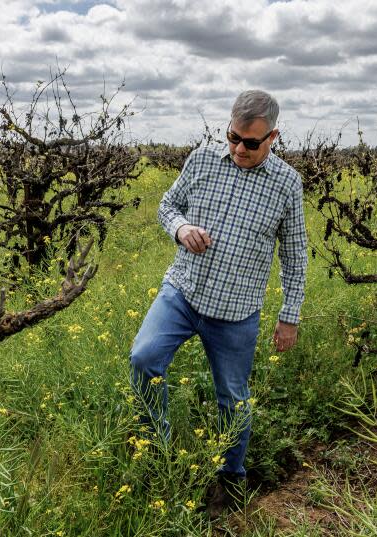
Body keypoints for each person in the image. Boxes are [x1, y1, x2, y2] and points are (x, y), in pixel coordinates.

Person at [129, 89, 308, 512]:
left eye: (250, 143)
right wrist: (180, 228)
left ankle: (230, 480)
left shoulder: (287, 184)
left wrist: (290, 315)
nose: (239, 149)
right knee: (143, 358)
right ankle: (157, 456)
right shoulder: (203, 160)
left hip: (235, 312)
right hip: (183, 291)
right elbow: (168, 204)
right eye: (233, 137)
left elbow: (295, 253)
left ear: (273, 137)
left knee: (233, 396)